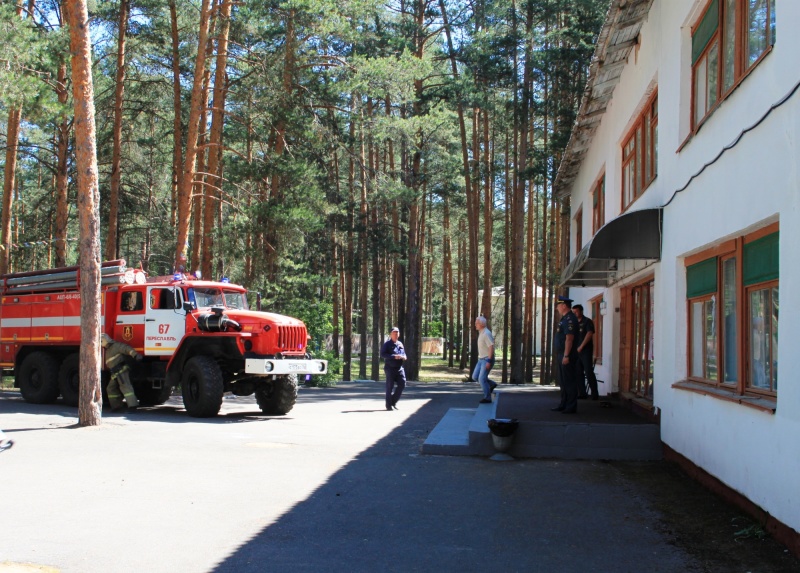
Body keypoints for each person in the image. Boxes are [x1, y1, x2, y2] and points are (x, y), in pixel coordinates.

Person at [101, 333, 143, 412]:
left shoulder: (116, 346)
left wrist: (135, 355)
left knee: (126, 387)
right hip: (115, 373)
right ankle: (116, 406)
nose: (100, 343)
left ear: (105, 340)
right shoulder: (108, 349)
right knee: (110, 388)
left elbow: (126, 348)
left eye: (101, 341)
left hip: (121, 371)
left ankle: (133, 406)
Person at [552, 296, 579, 414]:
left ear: (563, 305)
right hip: (561, 354)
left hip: (567, 354)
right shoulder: (564, 319)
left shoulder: (570, 319)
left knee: (569, 381)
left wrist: (566, 355)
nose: (557, 307)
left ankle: (571, 406)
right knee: (563, 381)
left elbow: (569, 339)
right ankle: (563, 403)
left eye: (558, 305)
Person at [573, 304, 599, 400]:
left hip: (585, 351)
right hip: (576, 351)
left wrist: (581, 346)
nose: (575, 313)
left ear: (581, 311)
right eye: (573, 312)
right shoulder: (574, 323)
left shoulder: (587, 322)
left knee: (588, 372)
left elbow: (589, 334)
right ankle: (582, 393)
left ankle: (594, 393)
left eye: (576, 311)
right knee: (578, 372)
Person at [380, 327, 407, 411]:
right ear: (391, 334)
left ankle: (393, 402)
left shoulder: (400, 344)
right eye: (394, 333)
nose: (395, 334)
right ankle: (389, 406)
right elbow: (382, 354)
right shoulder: (387, 344)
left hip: (399, 368)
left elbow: (404, 354)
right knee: (390, 387)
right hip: (390, 368)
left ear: (399, 334)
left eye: (397, 333)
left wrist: (404, 357)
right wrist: (393, 356)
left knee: (402, 384)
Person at [472, 316, 497, 404]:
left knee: (482, 379)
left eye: (477, 323)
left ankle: (487, 398)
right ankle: (492, 384)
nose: (475, 325)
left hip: (486, 359)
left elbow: (491, 347)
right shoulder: (481, 332)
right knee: (475, 377)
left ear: (482, 324)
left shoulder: (486, 333)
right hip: (481, 359)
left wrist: (489, 361)